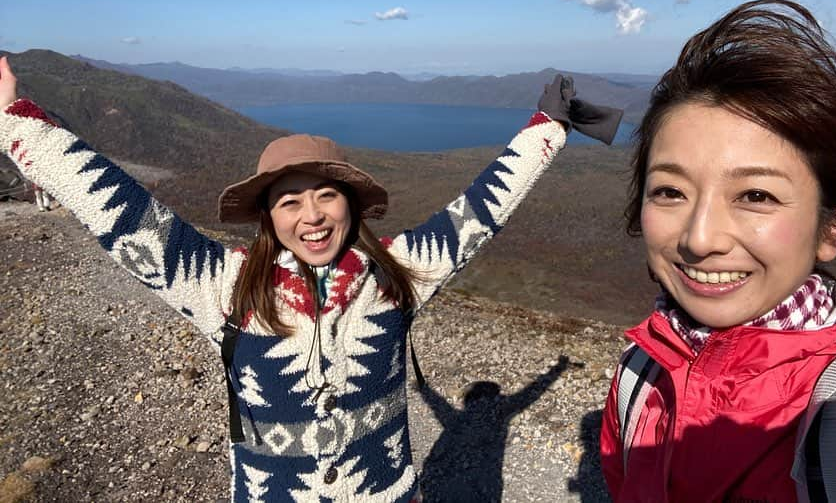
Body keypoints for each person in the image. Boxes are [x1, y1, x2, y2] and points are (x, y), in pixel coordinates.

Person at [0, 56, 621, 503]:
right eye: (289, 202)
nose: (313, 216)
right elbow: (127, 213)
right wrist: (15, 122)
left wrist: (547, 127)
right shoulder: (223, 285)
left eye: (327, 195)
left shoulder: (394, 274)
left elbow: (481, 208)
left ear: (352, 205)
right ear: (267, 217)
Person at [599, 0, 836, 502]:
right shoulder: (642, 370)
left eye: (756, 196)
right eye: (670, 191)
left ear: (834, 227)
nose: (700, 239)